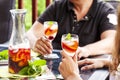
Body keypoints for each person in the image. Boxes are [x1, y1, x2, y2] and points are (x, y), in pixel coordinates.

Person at [26, 0, 116, 58]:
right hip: (54, 69)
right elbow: (30, 34)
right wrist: (35, 43)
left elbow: (112, 42)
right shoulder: (57, 6)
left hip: (87, 71)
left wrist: (86, 50)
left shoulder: (105, 11)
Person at [58, 5, 120, 80]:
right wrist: (108, 63)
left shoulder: (104, 10)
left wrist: (72, 76)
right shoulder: (58, 6)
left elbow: (110, 41)